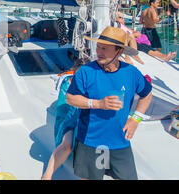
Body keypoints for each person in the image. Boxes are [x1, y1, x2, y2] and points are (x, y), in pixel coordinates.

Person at [66, 26, 153, 180]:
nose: (99, 52)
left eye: (105, 48)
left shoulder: (131, 73)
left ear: (119, 51)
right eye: (98, 47)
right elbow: (71, 98)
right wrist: (98, 104)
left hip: (120, 141)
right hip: (91, 141)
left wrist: (135, 119)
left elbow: (146, 95)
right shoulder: (86, 71)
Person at [41, 57, 89, 180]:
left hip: (84, 120)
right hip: (68, 121)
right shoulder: (67, 83)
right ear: (74, 71)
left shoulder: (91, 85)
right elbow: (65, 111)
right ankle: (47, 176)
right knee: (67, 144)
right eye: (79, 74)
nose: (81, 78)